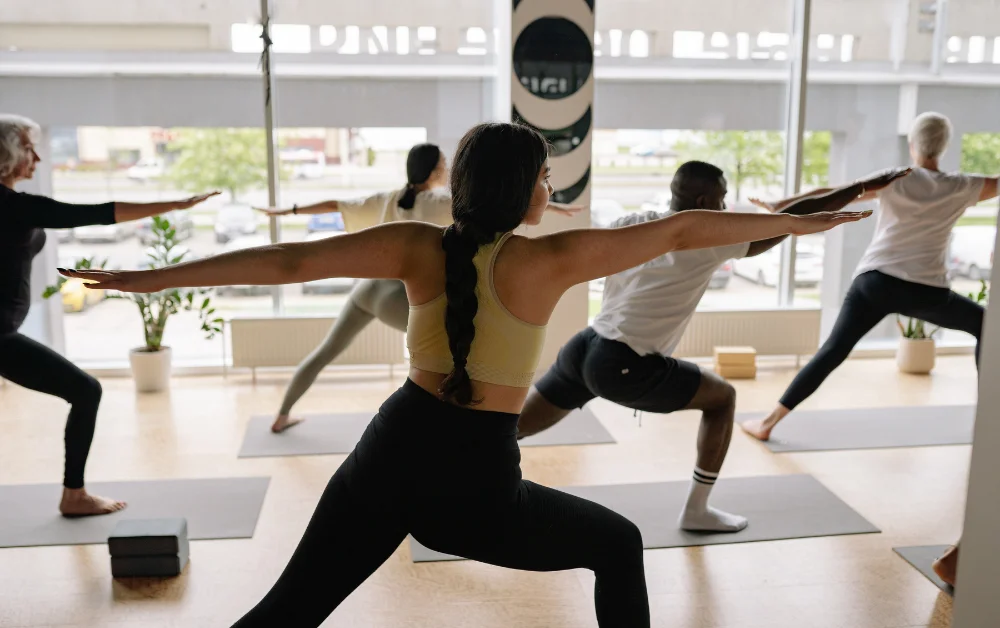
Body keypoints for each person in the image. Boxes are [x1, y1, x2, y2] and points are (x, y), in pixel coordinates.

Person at [64, 122, 871, 627]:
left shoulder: (421, 242)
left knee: (289, 611)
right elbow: (685, 228)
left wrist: (152, 279)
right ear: (524, 190)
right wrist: (803, 223)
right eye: (546, 179)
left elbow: (290, 259)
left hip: (391, 448)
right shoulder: (552, 259)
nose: (552, 190)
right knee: (619, 544)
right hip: (477, 483)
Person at [516, 161, 908, 533]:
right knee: (722, 399)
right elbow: (793, 221)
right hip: (624, 363)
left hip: (585, 346)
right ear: (704, 203)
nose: (725, 209)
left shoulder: (633, 222)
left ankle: (457, 471)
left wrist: (802, 206)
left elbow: (775, 218)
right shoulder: (708, 242)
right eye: (721, 200)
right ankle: (697, 510)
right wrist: (860, 188)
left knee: (511, 428)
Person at [255, 143, 580, 432]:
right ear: (438, 170)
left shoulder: (387, 197)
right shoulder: (443, 200)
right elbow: (499, 202)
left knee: (326, 351)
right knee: (456, 349)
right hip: (402, 298)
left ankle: (282, 415)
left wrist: (289, 210)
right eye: (444, 165)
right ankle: (451, 424)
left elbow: (334, 205)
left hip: (368, 292)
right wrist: (553, 206)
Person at [0, 113, 218, 516]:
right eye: (30, 149)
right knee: (86, 390)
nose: (38, 159)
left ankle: (74, 494)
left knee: (83, 391)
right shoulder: (11, 206)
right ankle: (74, 496)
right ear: (8, 152)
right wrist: (174, 203)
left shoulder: (12, 206)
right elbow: (93, 213)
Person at [741, 111, 999, 443]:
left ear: (912, 144)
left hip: (876, 283)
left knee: (833, 350)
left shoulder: (895, 178)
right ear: (944, 146)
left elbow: (836, 192)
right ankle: (989, 421)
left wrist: (783, 203)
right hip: (926, 291)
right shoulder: (962, 186)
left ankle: (767, 423)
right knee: (986, 326)